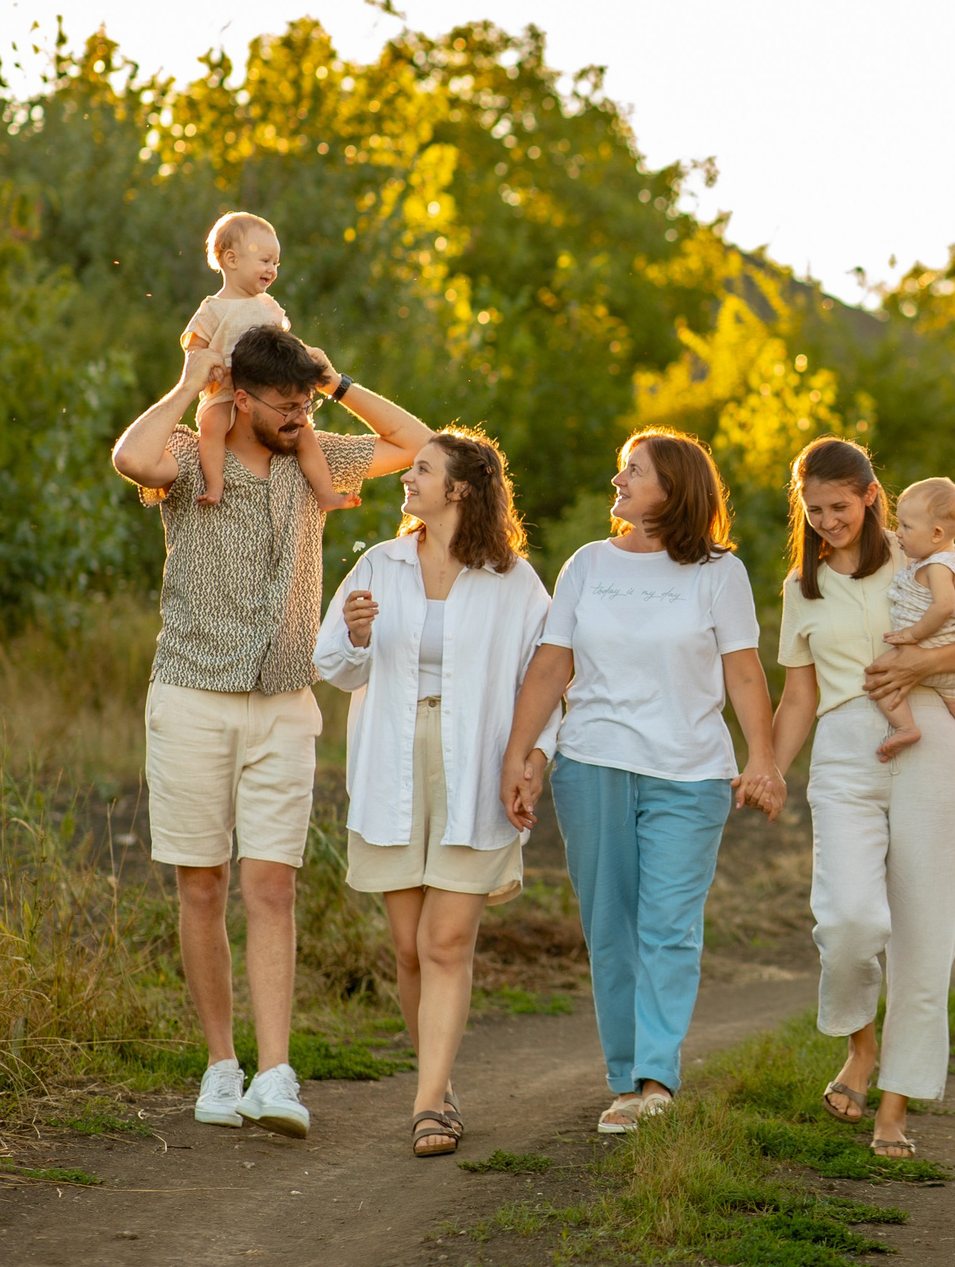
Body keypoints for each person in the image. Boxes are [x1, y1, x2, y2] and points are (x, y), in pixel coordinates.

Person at [109, 322, 433, 1139]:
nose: (298, 417)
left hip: (286, 701)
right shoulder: (190, 456)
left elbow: (423, 445)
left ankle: (276, 1071)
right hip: (191, 695)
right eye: (284, 405)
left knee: (274, 885)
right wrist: (191, 383)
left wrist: (336, 382)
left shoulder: (317, 453)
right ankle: (222, 1066)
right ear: (241, 397)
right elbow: (128, 457)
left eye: (304, 403)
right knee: (202, 884)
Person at [499, 429, 786, 1135]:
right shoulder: (587, 564)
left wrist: (765, 757)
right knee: (609, 924)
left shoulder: (719, 571)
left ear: (676, 487)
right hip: (592, 762)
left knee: (668, 924)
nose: (618, 477)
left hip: (690, 771)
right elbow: (550, 665)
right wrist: (518, 755)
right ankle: (625, 1078)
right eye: (622, 465)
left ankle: (658, 1076)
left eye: (636, 469)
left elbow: (744, 670)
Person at [770, 439, 955, 1159]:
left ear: (872, 495)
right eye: (812, 509)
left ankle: (895, 1107)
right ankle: (862, 1044)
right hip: (843, 749)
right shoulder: (801, 587)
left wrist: (920, 661)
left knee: (924, 934)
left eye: (839, 506)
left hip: (931, 740)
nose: (826, 520)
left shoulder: (922, 554)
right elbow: (796, 695)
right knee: (847, 920)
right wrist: (769, 766)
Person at [314, 429, 550, 1158]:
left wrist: (534, 756)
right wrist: (354, 637)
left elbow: (546, 684)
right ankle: (438, 1084)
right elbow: (334, 666)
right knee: (408, 949)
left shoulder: (515, 581)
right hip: (391, 760)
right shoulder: (380, 564)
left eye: (420, 470)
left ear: (461, 488)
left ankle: (427, 1106)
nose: (405, 480)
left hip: (476, 761)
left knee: (446, 941)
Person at [181, 211, 358, 513]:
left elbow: (283, 344)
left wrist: (306, 358)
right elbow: (194, 348)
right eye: (265, 261)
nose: (272, 269)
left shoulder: (267, 306)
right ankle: (214, 484)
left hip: (267, 391)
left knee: (305, 433)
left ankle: (325, 493)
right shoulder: (212, 309)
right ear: (232, 260)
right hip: (224, 389)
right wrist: (205, 364)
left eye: (276, 263)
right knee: (212, 427)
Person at [877, 477, 955, 800]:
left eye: (906, 526)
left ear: (936, 534)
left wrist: (913, 634)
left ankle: (907, 728)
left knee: (878, 676)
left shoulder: (935, 566)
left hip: (930, 647)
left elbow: (944, 606)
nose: (898, 533)